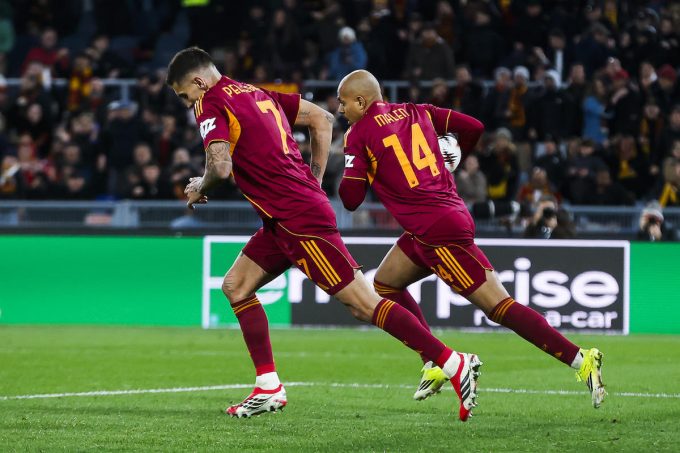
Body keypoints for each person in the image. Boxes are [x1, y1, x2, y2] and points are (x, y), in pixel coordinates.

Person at [166, 48, 481, 421]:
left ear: (199, 81)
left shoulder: (209, 102)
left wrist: (199, 186)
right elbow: (322, 118)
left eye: (185, 95)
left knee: (363, 304)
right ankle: (268, 386)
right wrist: (313, 181)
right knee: (236, 286)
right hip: (283, 218)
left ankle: (452, 361)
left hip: (296, 218)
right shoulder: (254, 92)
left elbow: (219, 166)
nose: (189, 104)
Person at [336, 70, 606, 410]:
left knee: (499, 307)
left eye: (344, 103)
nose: (341, 110)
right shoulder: (418, 111)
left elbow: (350, 198)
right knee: (386, 284)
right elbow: (474, 127)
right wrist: (451, 156)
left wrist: (354, 160)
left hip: (436, 230)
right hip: (436, 221)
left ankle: (581, 359)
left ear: (361, 101)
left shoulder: (359, 133)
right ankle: (434, 360)